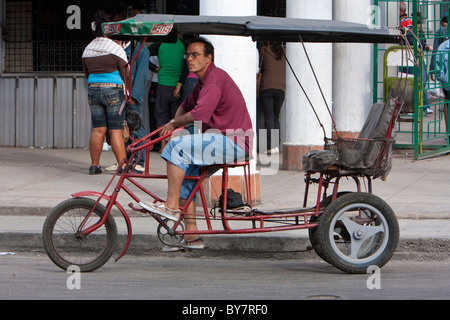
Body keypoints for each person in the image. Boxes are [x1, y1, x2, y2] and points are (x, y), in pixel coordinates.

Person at [139, 37, 254, 251]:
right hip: (219, 139)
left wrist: (173, 124)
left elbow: (199, 113)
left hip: (233, 141)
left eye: (195, 55)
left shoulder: (215, 79)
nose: (190, 59)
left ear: (209, 58)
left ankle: (171, 206)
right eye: (188, 55)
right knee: (186, 178)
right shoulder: (202, 83)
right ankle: (192, 236)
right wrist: (175, 125)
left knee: (177, 147)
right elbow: (186, 105)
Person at [82, 10, 129, 175]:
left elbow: (87, 73)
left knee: (97, 130)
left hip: (93, 91)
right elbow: (126, 73)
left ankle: (94, 166)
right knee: (115, 130)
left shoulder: (88, 49)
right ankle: (123, 167)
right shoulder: (115, 49)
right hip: (113, 91)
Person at [148, 38, 189, 150]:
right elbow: (186, 67)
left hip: (162, 85)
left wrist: (154, 68)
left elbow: (143, 53)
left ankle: (162, 145)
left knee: (161, 115)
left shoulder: (159, 44)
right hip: (177, 86)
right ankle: (174, 145)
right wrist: (179, 84)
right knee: (176, 117)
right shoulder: (184, 44)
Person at [124, 40, 150, 172]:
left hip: (132, 94)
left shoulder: (141, 50)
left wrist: (134, 95)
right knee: (124, 129)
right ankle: (127, 160)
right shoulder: (120, 48)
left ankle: (139, 161)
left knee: (136, 127)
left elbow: (141, 75)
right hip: (120, 94)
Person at [259, 41, 286, 155]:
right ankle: (276, 145)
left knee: (269, 116)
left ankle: (271, 146)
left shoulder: (264, 50)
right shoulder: (284, 51)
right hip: (281, 88)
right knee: (276, 117)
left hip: (267, 87)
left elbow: (260, 67)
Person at [436, 38, 450, 133]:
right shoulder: (444, 47)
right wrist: (444, 79)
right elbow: (438, 67)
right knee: (448, 105)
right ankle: (448, 131)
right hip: (448, 83)